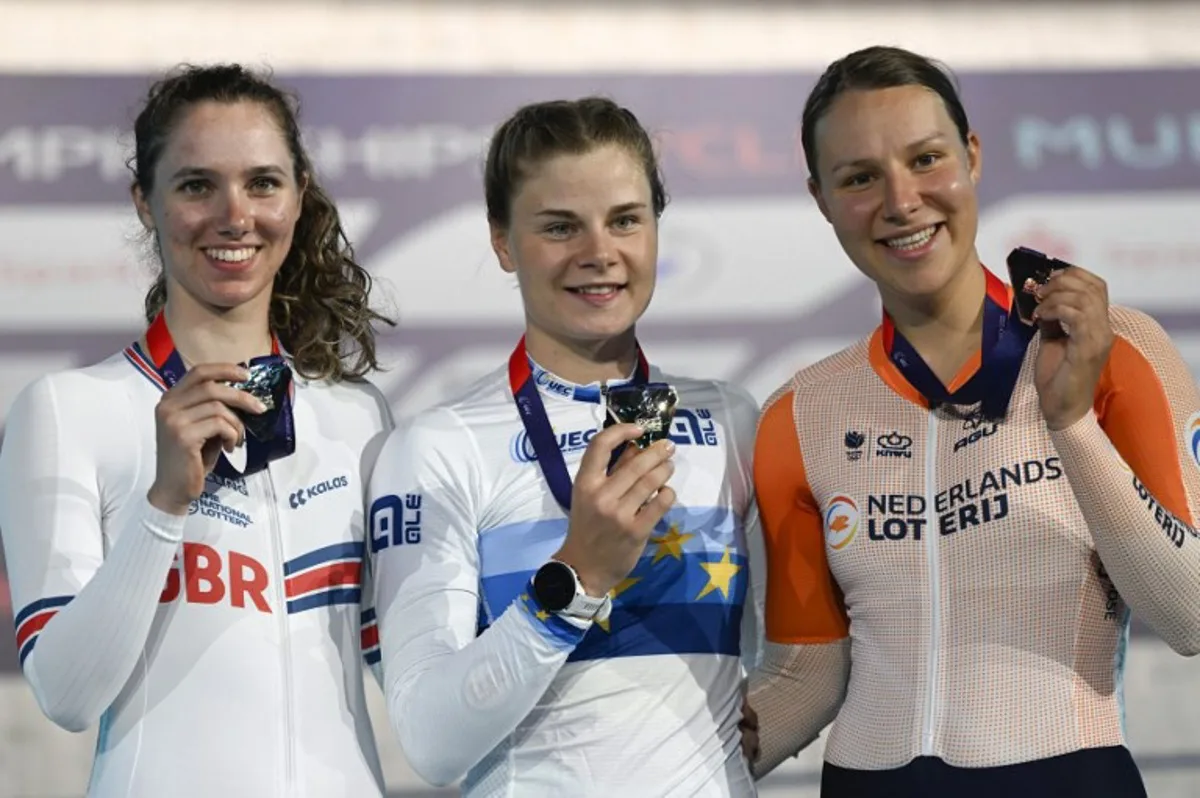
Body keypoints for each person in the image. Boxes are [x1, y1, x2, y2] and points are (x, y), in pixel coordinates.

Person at [744, 44, 1200, 798]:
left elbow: (1190, 615)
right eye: (859, 178)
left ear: (973, 157)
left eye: (926, 160)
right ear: (821, 199)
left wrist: (1072, 424)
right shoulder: (801, 413)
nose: (901, 201)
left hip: (1068, 778)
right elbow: (806, 679)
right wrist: (645, 771)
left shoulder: (1112, 350)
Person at [0, 64, 396, 797]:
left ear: (300, 195)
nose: (233, 215)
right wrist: (162, 506)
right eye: (195, 185)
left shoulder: (358, 416)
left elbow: (412, 675)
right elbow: (65, 694)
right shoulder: (65, 410)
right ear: (145, 205)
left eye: (262, 183)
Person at [367, 96, 765, 796]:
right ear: (501, 241)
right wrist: (575, 578)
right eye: (559, 227)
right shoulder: (437, 447)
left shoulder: (732, 421)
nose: (598, 254)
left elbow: (790, 665)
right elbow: (430, 741)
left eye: (625, 221)